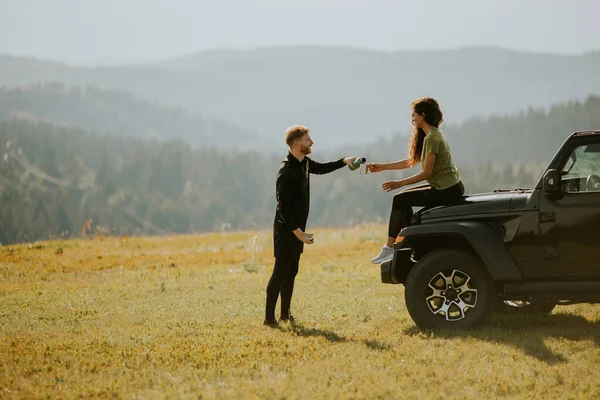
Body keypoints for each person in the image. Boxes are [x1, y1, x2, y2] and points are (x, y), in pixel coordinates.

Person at [264, 125, 356, 327]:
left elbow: (322, 168)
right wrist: (299, 234)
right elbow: (283, 209)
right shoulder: (286, 171)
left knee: (292, 272)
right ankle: (268, 319)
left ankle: (285, 315)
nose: (312, 142)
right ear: (297, 144)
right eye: (308, 140)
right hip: (286, 231)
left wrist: (344, 161)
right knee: (279, 272)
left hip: (299, 231)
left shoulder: (304, 163)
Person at [367, 97, 464, 264]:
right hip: (446, 188)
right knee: (402, 199)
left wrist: (399, 183)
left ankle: (390, 248)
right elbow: (410, 161)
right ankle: (402, 245)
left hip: (447, 191)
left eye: (414, 115)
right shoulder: (430, 135)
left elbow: (427, 173)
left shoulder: (433, 138)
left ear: (423, 115)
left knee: (400, 198)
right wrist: (382, 167)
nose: (412, 119)